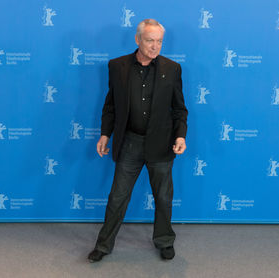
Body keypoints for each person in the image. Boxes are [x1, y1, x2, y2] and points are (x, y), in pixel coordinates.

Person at [88, 19, 188, 263]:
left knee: (163, 197)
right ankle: (103, 245)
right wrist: (105, 134)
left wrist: (180, 135)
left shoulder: (172, 69)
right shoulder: (117, 66)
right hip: (130, 143)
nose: (155, 46)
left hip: (162, 144)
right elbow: (110, 105)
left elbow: (179, 109)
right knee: (117, 197)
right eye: (150, 40)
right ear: (137, 40)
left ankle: (164, 241)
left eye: (159, 41)